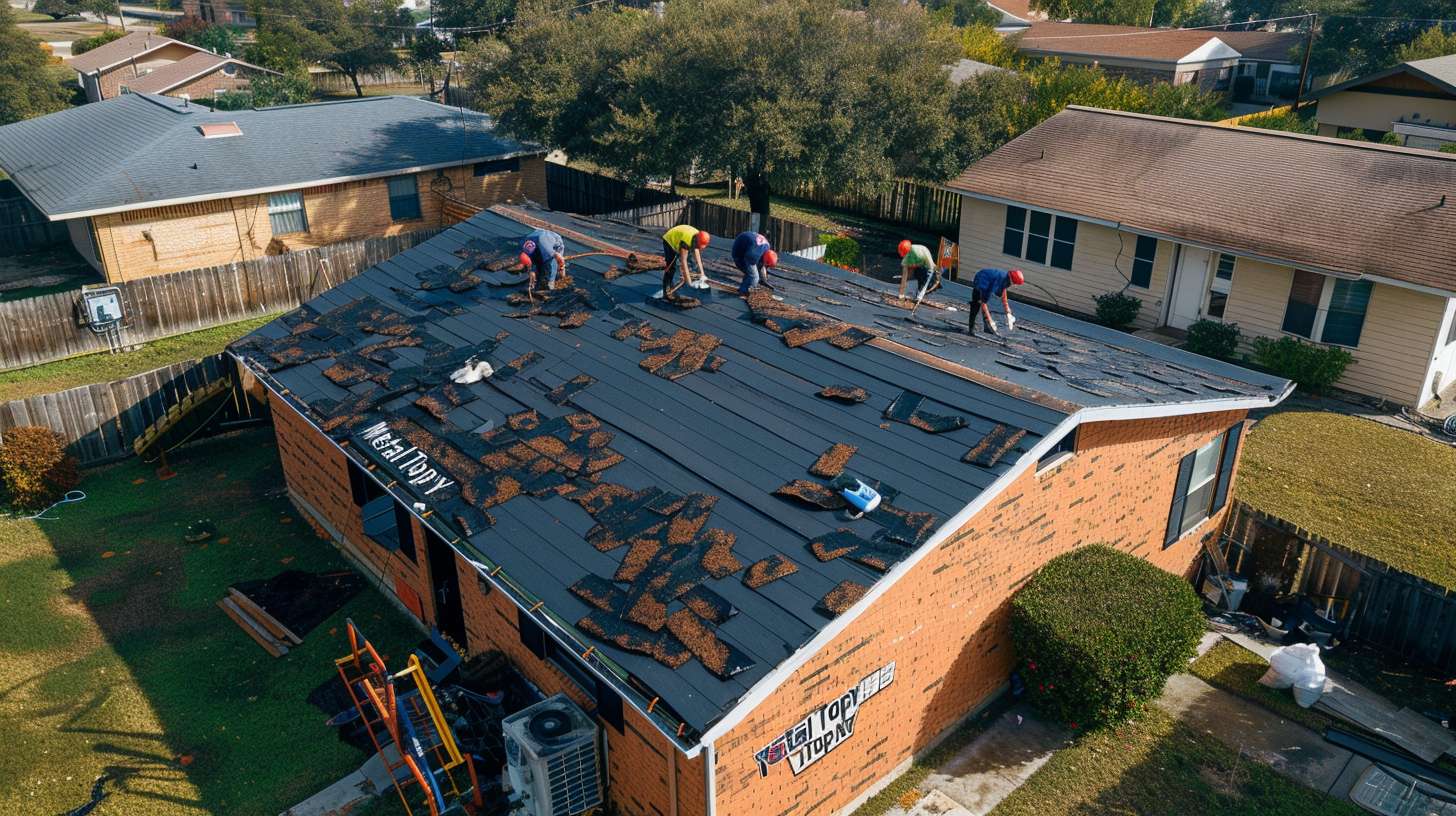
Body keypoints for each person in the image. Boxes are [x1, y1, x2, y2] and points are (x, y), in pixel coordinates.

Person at [968, 267, 1025, 335]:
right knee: (976, 305)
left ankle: (987, 326)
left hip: (988, 279)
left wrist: (1007, 308)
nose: (1014, 285)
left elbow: (1003, 290)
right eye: (1015, 283)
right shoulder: (997, 281)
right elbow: (983, 302)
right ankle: (972, 329)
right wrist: (990, 320)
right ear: (1012, 280)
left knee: (984, 303)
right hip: (981, 281)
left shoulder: (1006, 278)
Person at [661, 224, 710, 299]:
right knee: (671, 267)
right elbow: (683, 262)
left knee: (692, 262)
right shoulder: (687, 241)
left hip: (681, 236)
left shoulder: (697, 237)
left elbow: (697, 256)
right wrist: (689, 283)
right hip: (669, 240)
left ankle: (689, 280)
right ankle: (667, 291)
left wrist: (702, 274)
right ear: (696, 241)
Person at [730, 231, 778, 295]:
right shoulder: (753, 255)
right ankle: (744, 291)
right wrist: (754, 281)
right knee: (754, 277)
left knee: (756, 270)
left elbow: (762, 266)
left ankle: (747, 285)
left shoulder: (767, 247)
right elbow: (752, 269)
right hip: (739, 253)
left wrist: (763, 279)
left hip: (747, 245)